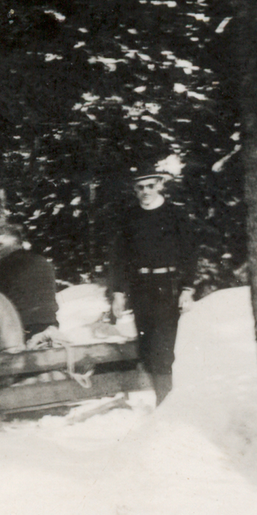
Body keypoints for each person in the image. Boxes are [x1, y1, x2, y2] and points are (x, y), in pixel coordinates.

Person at [108, 166, 197, 405]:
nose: (145, 191)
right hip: (140, 287)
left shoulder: (175, 215)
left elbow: (189, 253)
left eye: (150, 186)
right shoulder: (129, 217)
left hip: (167, 287)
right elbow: (120, 257)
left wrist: (187, 289)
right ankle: (158, 398)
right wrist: (118, 292)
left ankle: (165, 404)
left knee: (163, 347)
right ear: (134, 190)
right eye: (140, 187)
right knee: (147, 347)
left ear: (159, 185)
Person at [0, 224, 59, 343]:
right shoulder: (41, 260)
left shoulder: (6, 264)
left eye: (0, 245)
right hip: (50, 323)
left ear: (15, 243)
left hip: (23, 328)